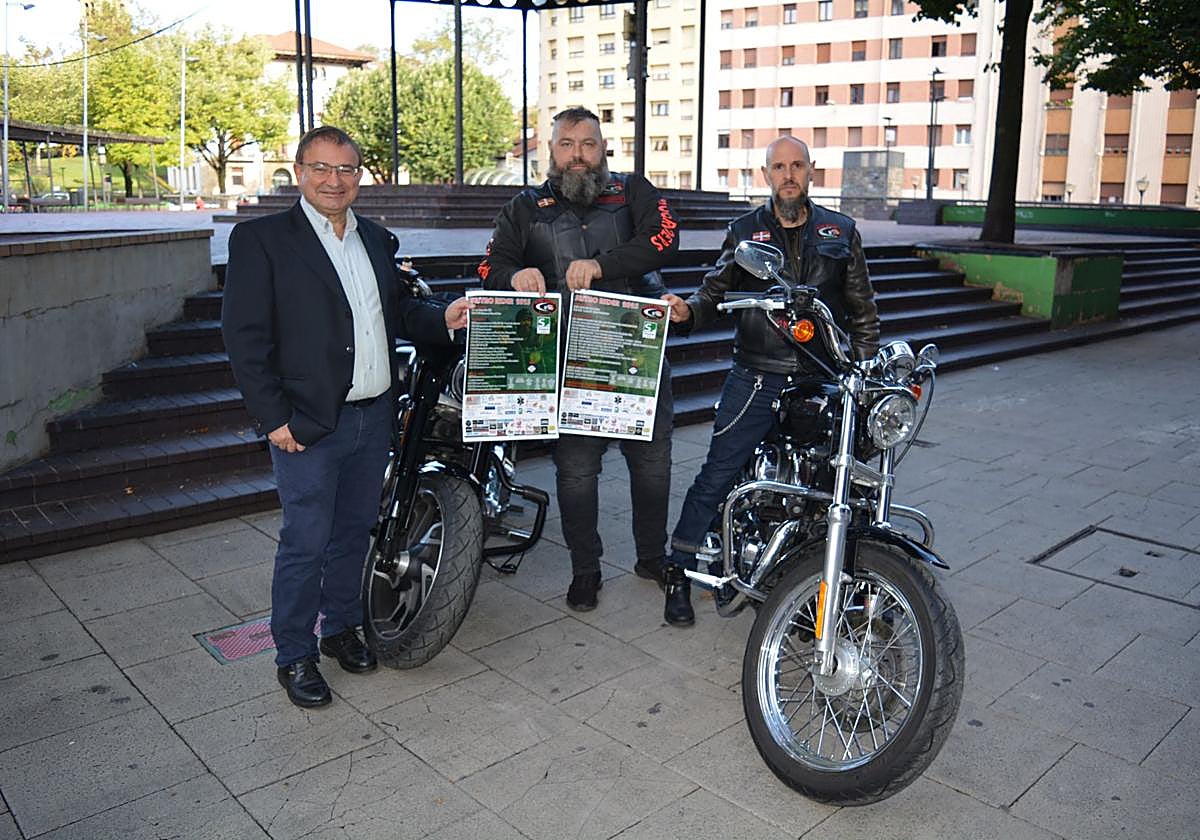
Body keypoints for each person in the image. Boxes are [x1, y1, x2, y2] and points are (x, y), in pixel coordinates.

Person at [222, 126, 470, 707]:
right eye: (322, 168)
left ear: (359, 175)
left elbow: (399, 313)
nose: (335, 181)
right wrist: (272, 418)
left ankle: (338, 630)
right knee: (305, 541)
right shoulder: (261, 241)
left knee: (354, 533)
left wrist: (446, 317)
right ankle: (294, 656)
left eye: (346, 169)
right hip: (308, 422)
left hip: (373, 415)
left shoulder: (377, 240)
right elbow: (244, 335)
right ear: (300, 172)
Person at [660, 135, 880, 627]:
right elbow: (714, 291)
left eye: (796, 165)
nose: (788, 174)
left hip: (822, 377)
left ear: (810, 171)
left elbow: (863, 310)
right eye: (778, 166)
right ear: (766, 175)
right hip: (758, 374)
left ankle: (814, 582)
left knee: (832, 481)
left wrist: (860, 369)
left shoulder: (840, 230)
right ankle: (679, 568)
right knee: (719, 470)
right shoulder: (745, 231)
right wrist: (688, 310)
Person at [478, 106, 679, 611]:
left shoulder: (634, 191)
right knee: (576, 472)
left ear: (603, 148)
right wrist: (512, 276)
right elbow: (490, 263)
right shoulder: (525, 205)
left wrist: (602, 265)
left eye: (587, 144)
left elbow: (663, 241)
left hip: (636, 354)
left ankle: (652, 555)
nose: (577, 156)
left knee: (652, 466)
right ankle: (585, 569)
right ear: (551, 151)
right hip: (570, 361)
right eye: (566, 145)